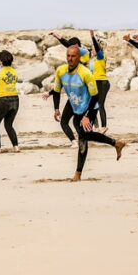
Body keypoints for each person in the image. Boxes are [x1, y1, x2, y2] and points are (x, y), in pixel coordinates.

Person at [51, 45, 126, 181]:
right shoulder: (61, 71)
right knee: (80, 131)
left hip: (89, 106)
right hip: (74, 103)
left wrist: (87, 116)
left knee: (83, 137)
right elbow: (56, 91)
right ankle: (116, 143)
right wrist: (56, 109)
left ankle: (78, 174)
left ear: (79, 58)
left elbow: (95, 96)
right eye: (68, 56)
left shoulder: (85, 73)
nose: (70, 59)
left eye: (73, 56)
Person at [47, 33, 90, 144]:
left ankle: (82, 139)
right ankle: (80, 140)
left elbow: (71, 47)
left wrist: (60, 38)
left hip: (83, 94)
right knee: (73, 122)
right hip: (75, 94)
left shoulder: (84, 54)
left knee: (78, 121)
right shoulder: (70, 66)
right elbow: (62, 84)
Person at [89, 30, 111, 129]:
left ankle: (104, 127)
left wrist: (93, 37)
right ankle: (95, 126)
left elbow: (97, 49)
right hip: (94, 83)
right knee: (91, 105)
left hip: (102, 83)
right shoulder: (92, 61)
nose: (92, 50)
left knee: (100, 105)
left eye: (93, 48)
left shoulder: (101, 56)